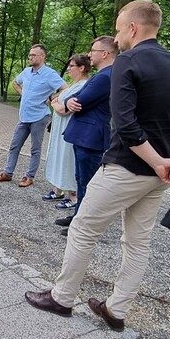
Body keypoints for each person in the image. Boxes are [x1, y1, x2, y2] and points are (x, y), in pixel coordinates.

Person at [25, 0, 170, 332]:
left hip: (126, 167)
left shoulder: (127, 61)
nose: (116, 38)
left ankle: (62, 298)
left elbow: (127, 126)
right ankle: (116, 311)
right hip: (157, 176)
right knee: (137, 242)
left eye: (119, 29)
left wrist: (163, 162)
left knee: (83, 229)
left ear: (133, 27)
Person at [54, 36, 118, 235]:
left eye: (93, 51)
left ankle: (83, 225)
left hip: (91, 136)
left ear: (105, 54)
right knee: (81, 179)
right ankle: (77, 217)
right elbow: (74, 100)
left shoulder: (105, 76)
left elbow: (81, 100)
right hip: (84, 135)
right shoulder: (104, 74)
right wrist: (71, 101)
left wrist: (71, 101)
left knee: (88, 182)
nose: (90, 55)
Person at [0, 45, 67, 187]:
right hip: (24, 116)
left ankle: (29, 176)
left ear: (42, 56)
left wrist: (51, 98)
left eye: (33, 55)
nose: (30, 57)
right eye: (29, 55)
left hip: (39, 116)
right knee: (14, 146)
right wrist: (23, 94)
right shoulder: (26, 72)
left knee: (35, 148)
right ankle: (7, 173)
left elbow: (65, 88)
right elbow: (15, 82)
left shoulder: (50, 74)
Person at [42, 54, 91, 209]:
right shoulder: (73, 85)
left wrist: (55, 104)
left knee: (68, 159)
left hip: (70, 129)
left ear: (81, 68)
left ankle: (73, 196)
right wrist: (56, 103)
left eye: (72, 66)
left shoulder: (84, 86)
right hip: (59, 129)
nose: (68, 69)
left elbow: (63, 109)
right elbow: (57, 101)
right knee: (58, 157)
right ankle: (58, 190)